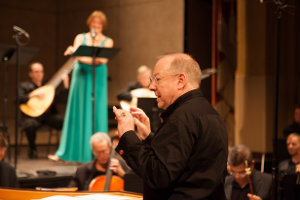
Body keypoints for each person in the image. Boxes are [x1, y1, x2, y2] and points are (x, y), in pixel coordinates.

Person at [113, 53, 228, 199]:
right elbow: (185, 163)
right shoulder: (209, 112)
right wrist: (149, 138)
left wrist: (127, 134)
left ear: (180, 81)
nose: (151, 87)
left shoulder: (181, 117)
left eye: (157, 79)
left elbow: (158, 176)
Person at [52, 10, 114, 162]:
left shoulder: (108, 41)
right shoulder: (81, 37)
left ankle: (98, 152)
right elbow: (81, 56)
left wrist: (80, 55)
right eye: (94, 22)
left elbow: (102, 61)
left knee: (96, 110)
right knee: (78, 110)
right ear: (89, 23)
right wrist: (86, 57)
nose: (96, 25)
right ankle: (71, 152)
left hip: (97, 76)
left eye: (99, 23)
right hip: (81, 76)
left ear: (103, 25)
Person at [19, 62, 68, 158]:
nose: (39, 74)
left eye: (41, 71)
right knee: (30, 125)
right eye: (36, 71)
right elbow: (18, 99)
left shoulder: (48, 86)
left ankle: (64, 151)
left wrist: (66, 85)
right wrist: (31, 95)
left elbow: (60, 99)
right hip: (32, 117)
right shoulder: (24, 86)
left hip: (48, 116)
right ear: (31, 74)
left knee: (65, 122)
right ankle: (32, 149)